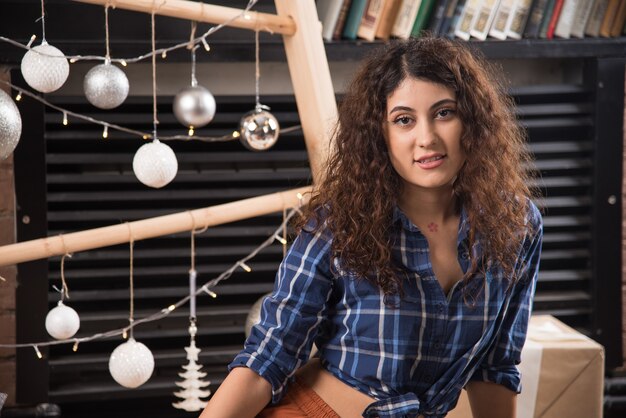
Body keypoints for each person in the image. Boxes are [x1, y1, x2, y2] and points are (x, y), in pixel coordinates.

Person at [199, 36, 543, 418]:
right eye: (404, 120)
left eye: (444, 113)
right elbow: (268, 357)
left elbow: (496, 367)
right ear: (381, 136)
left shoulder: (517, 224)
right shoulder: (336, 224)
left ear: (474, 121)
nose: (426, 138)